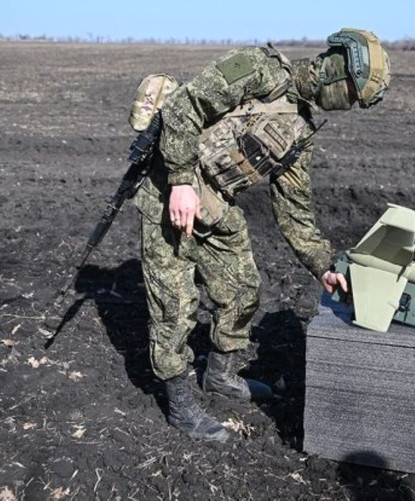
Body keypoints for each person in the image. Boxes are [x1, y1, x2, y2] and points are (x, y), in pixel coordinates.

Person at [132, 28, 391, 442]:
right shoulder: (259, 69)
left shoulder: (301, 132)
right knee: (174, 306)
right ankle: (180, 406)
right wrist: (180, 181)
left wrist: (323, 265)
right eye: (353, 97)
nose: (349, 106)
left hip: (215, 205)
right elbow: (185, 105)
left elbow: (294, 210)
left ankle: (218, 377)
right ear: (338, 73)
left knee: (242, 290)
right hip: (168, 194)